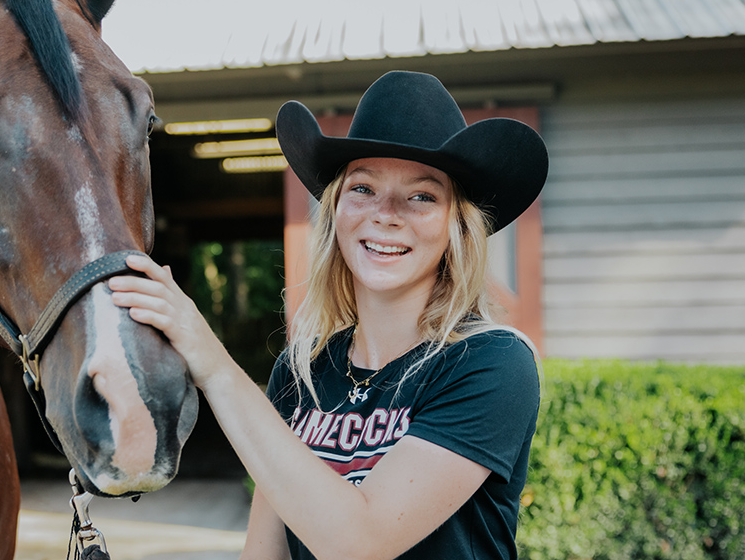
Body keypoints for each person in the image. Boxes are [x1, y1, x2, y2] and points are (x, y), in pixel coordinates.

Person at [109, 70, 549, 560]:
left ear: (455, 227)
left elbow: (360, 543)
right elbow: (264, 553)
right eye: (363, 188)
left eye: (423, 195)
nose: (386, 213)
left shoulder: (491, 364)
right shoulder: (304, 373)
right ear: (335, 210)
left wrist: (213, 364)